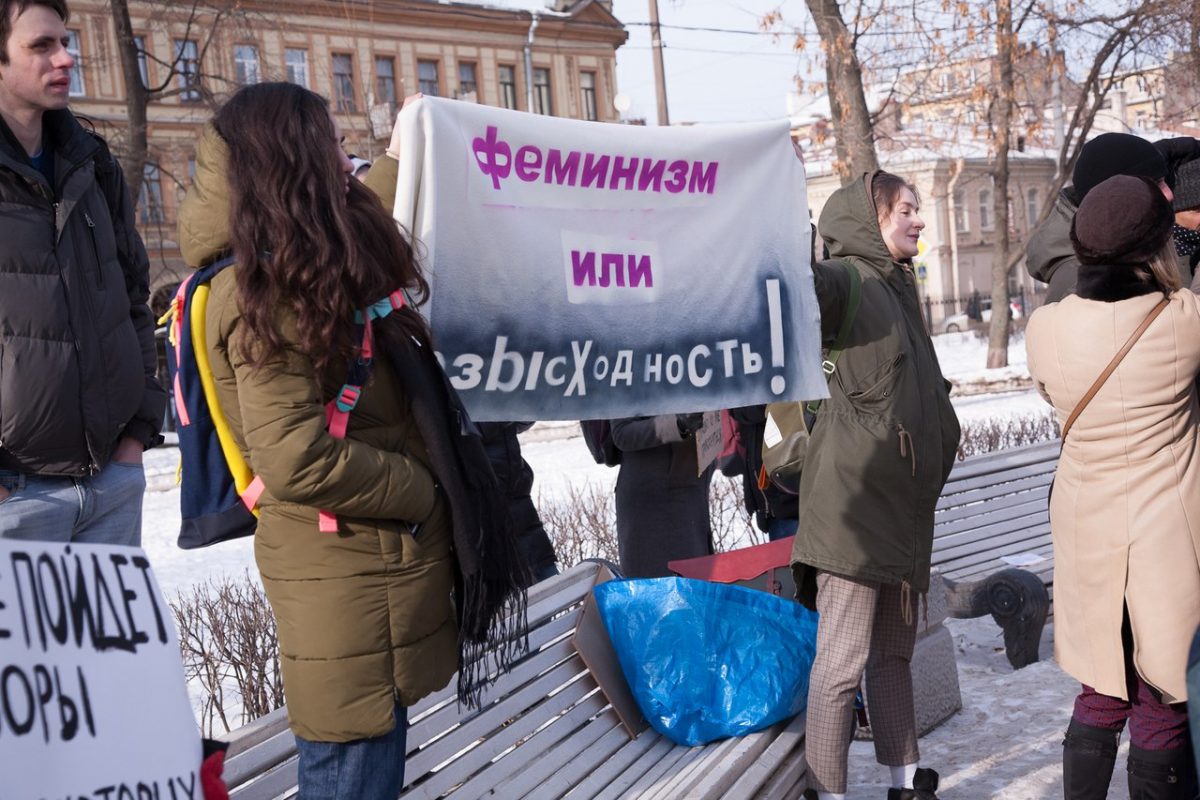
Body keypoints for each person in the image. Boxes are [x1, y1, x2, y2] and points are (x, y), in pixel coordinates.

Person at [177, 82, 525, 799]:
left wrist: (406, 151)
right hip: (346, 569)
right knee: (351, 771)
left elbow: (373, 236)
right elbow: (296, 454)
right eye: (333, 145)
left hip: (367, 564)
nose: (349, 158)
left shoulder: (300, 263)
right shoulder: (256, 295)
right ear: (294, 163)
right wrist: (422, 491)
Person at [1025, 174, 1200, 799]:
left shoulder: (1045, 330)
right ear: (1157, 246)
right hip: (1163, 547)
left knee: (1102, 689)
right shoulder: (1183, 320)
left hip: (1086, 539)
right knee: (1160, 696)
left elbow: (1052, 394)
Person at [794, 172, 961, 800]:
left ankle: (903, 779)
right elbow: (806, 289)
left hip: (901, 514)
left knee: (893, 656)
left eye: (919, 209)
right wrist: (787, 225)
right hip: (854, 515)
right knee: (840, 669)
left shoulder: (899, 288)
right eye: (905, 210)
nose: (918, 220)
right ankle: (826, 792)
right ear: (872, 220)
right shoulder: (853, 282)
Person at [0, 0, 164, 544]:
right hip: (15, 498)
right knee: (23, 639)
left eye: (65, 42)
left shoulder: (92, 164)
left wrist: (137, 433)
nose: (66, 58)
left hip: (110, 487)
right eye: (41, 46)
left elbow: (135, 300)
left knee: (107, 638)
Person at [1028, 132, 1185, 303]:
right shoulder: (1083, 281)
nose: (1169, 193)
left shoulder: (1119, 255)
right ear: (1114, 197)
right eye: (1156, 184)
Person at [610, 413, 714, 577]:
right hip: (652, 505)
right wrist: (677, 424)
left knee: (697, 583)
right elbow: (621, 433)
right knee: (661, 588)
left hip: (690, 490)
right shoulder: (630, 387)